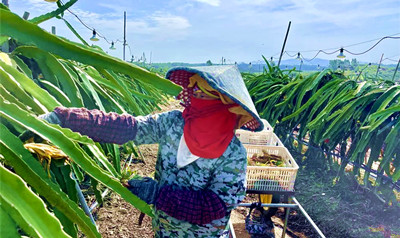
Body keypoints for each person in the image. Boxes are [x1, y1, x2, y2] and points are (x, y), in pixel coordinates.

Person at [41, 65, 264, 237]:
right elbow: (128, 127)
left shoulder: (232, 154)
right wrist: (68, 119)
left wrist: (158, 195)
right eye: (194, 91)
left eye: (202, 94)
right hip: (163, 229)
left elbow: (214, 206)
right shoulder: (173, 124)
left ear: (224, 105)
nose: (195, 98)